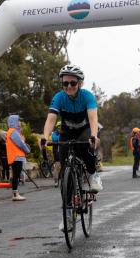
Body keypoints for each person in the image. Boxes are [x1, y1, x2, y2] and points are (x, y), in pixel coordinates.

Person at [42, 64, 102, 193]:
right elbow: (51, 118)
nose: (69, 86)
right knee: (64, 162)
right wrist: (45, 137)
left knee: (86, 148)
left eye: (73, 83)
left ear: (79, 83)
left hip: (84, 129)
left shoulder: (87, 96)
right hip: (67, 131)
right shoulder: (59, 97)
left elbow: (93, 118)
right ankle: (68, 201)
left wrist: (94, 135)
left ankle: (93, 175)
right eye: (65, 83)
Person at [6, 115, 31, 201]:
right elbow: (20, 143)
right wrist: (27, 150)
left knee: (15, 175)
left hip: (14, 156)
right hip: (16, 156)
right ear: (14, 121)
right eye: (18, 120)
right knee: (16, 176)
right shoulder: (13, 132)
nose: (19, 122)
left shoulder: (11, 131)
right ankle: (15, 194)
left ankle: (15, 193)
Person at [51, 121, 61, 187]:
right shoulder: (55, 133)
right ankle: (56, 181)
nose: (60, 128)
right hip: (57, 152)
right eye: (59, 127)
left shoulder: (66, 133)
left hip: (65, 151)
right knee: (57, 166)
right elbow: (54, 139)